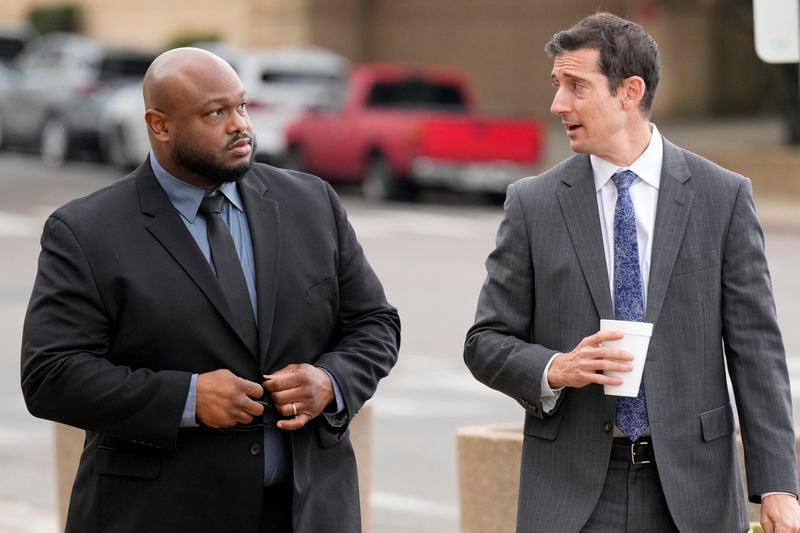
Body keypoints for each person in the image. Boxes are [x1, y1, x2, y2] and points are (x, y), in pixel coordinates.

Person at [20, 47, 400, 533]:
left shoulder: (312, 203)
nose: (240, 125)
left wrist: (331, 381)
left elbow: (375, 322)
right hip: (158, 516)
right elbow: (51, 375)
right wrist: (188, 397)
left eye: (241, 106)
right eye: (215, 113)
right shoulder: (86, 231)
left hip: (309, 513)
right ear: (159, 125)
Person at [464, 12, 800, 533]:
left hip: (693, 494)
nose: (558, 105)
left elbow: (756, 349)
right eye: (558, 86)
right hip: (572, 493)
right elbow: (485, 341)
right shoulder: (532, 204)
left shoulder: (722, 197)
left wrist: (777, 485)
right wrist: (556, 367)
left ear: (630, 91)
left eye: (577, 87)